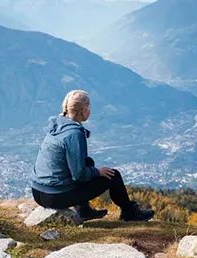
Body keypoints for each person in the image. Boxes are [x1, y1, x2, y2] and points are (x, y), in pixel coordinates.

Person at [31, 89, 155, 222]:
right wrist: (97, 172)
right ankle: (129, 213)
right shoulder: (74, 134)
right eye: (89, 107)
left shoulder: (58, 124)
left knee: (88, 162)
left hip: (38, 192)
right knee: (113, 176)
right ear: (84, 110)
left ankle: (84, 211)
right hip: (54, 196)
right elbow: (79, 175)